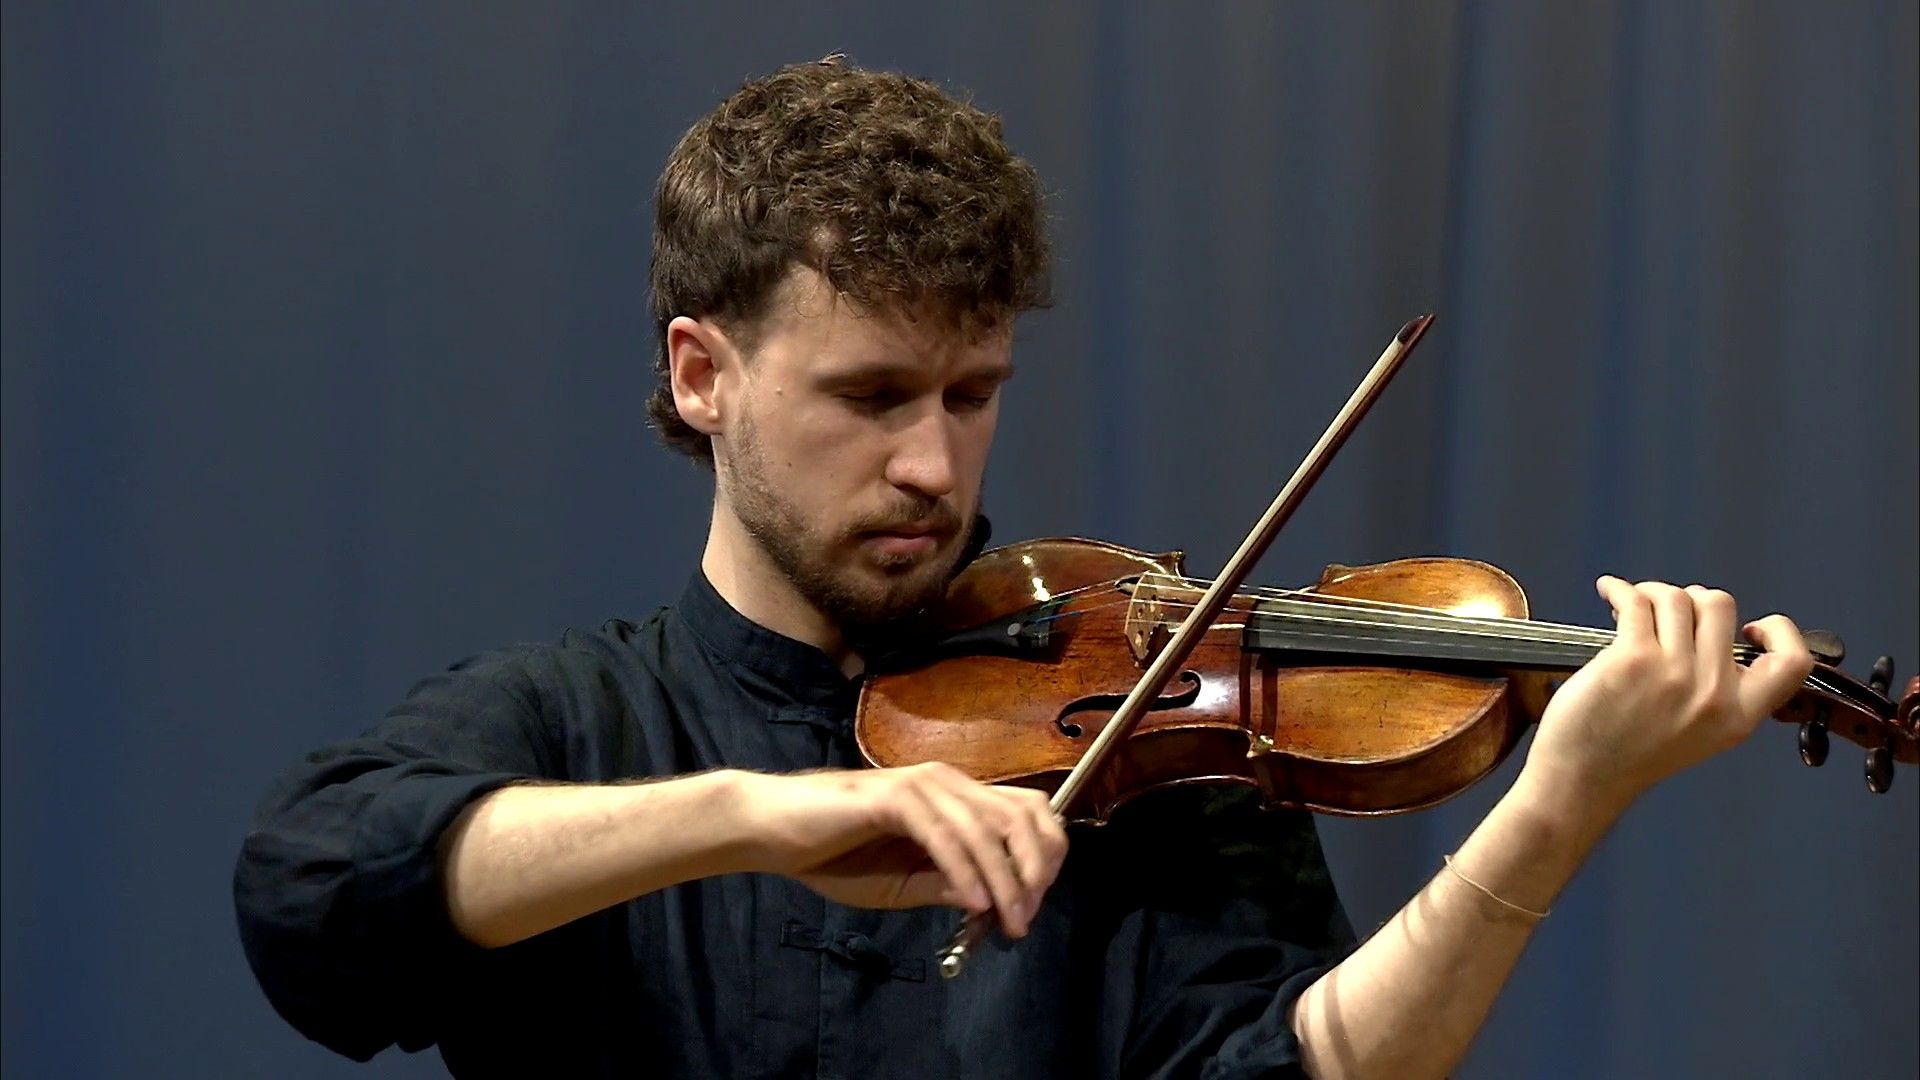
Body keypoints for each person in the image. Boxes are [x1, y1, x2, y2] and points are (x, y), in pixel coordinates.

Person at [233, 58, 1814, 1079]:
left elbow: (1303, 1066)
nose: (934, 463)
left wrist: (1555, 808)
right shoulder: (578, 723)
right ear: (703, 374)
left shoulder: (1142, 725)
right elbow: (310, 893)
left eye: (970, 394)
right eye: (872, 397)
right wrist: (750, 818)